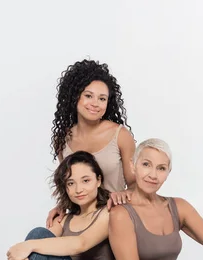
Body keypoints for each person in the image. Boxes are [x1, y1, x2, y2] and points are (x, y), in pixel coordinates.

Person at [46, 59, 136, 229]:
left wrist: (123, 194)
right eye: (88, 96)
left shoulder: (121, 135)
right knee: (39, 236)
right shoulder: (62, 139)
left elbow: (136, 185)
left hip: (112, 219)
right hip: (78, 221)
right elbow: (71, 184)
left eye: (102, 99)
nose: (95, 104)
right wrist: (61, 206)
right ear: (75, 97)